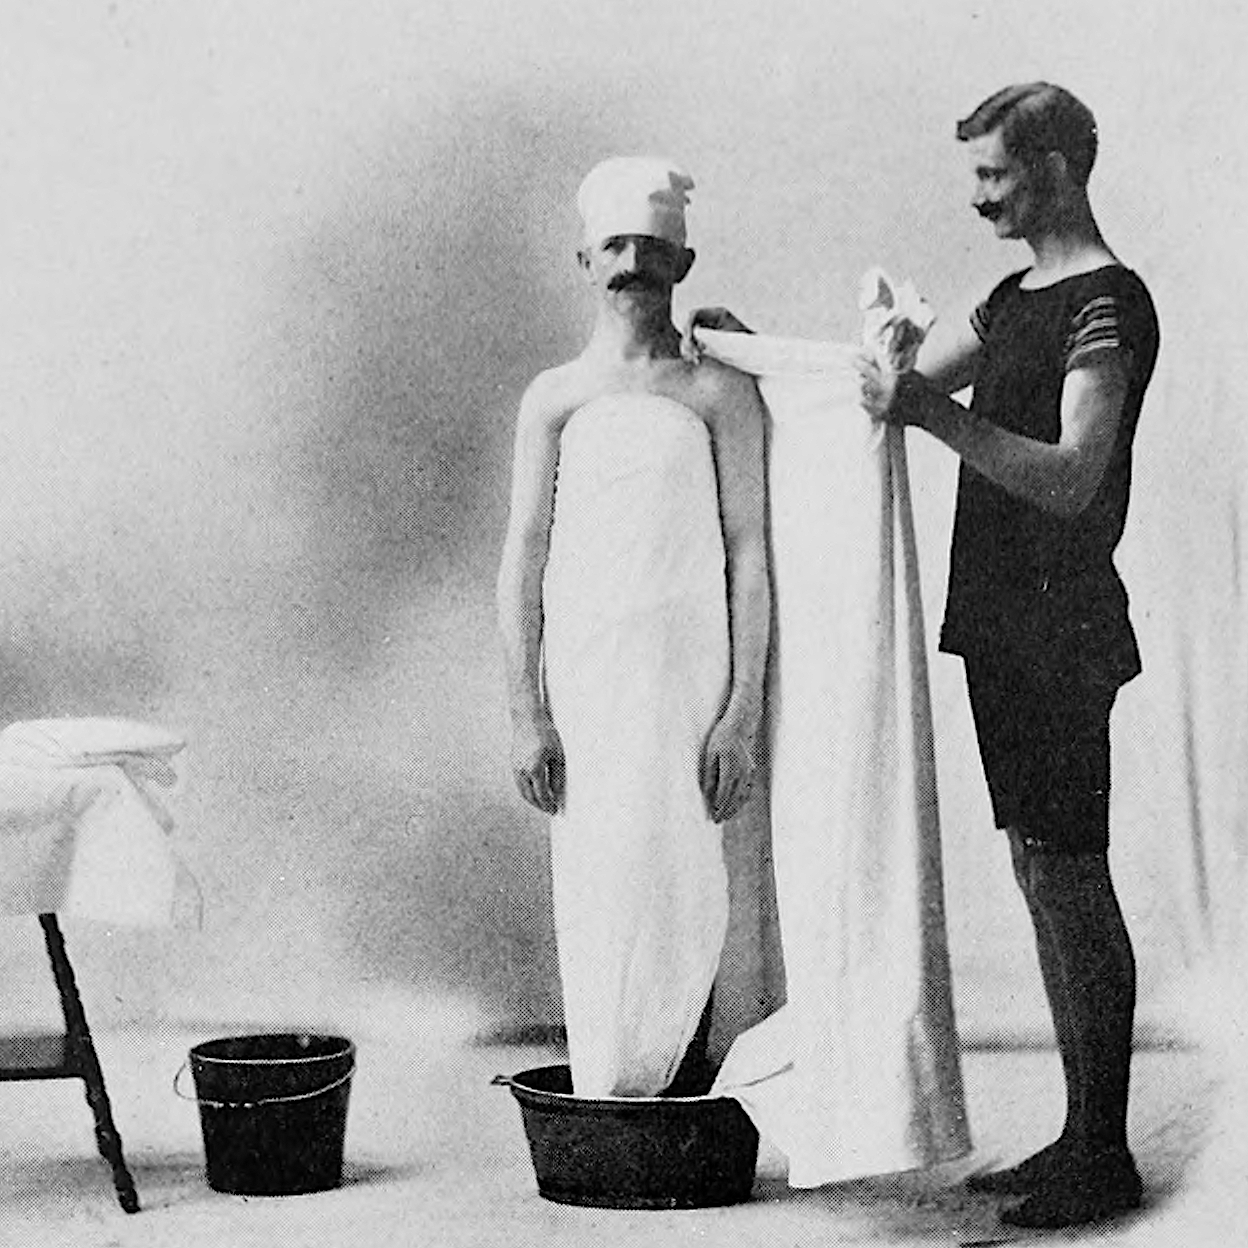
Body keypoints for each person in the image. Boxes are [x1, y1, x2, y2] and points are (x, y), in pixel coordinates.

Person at [856, 83, 1160, 1229]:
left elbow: (1076, 476)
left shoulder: (1107, 303)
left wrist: (929, 416)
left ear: (1058, 169)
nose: (979, 196)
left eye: (995, 173)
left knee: (1071, 873)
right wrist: (761, 349)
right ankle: (1084, 1135)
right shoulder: (1010, 296)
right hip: (1000, 621)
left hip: (1063, 626)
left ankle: (1106, 1155)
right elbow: (897, 387)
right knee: (1042, 870)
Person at [495, 157, 770, 1098]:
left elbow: (750, 553)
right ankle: (612, 1089)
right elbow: (523, 558)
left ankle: (686, 1093)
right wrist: (528, 713)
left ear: (682, 263)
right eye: (615, 246)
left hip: (689, 688)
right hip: (590, 685)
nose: (633, 266)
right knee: (603, 874)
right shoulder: (555, 398)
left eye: (653, 249)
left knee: (686, 877)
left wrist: (740, 714)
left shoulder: (718, 395)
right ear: (586, 260)